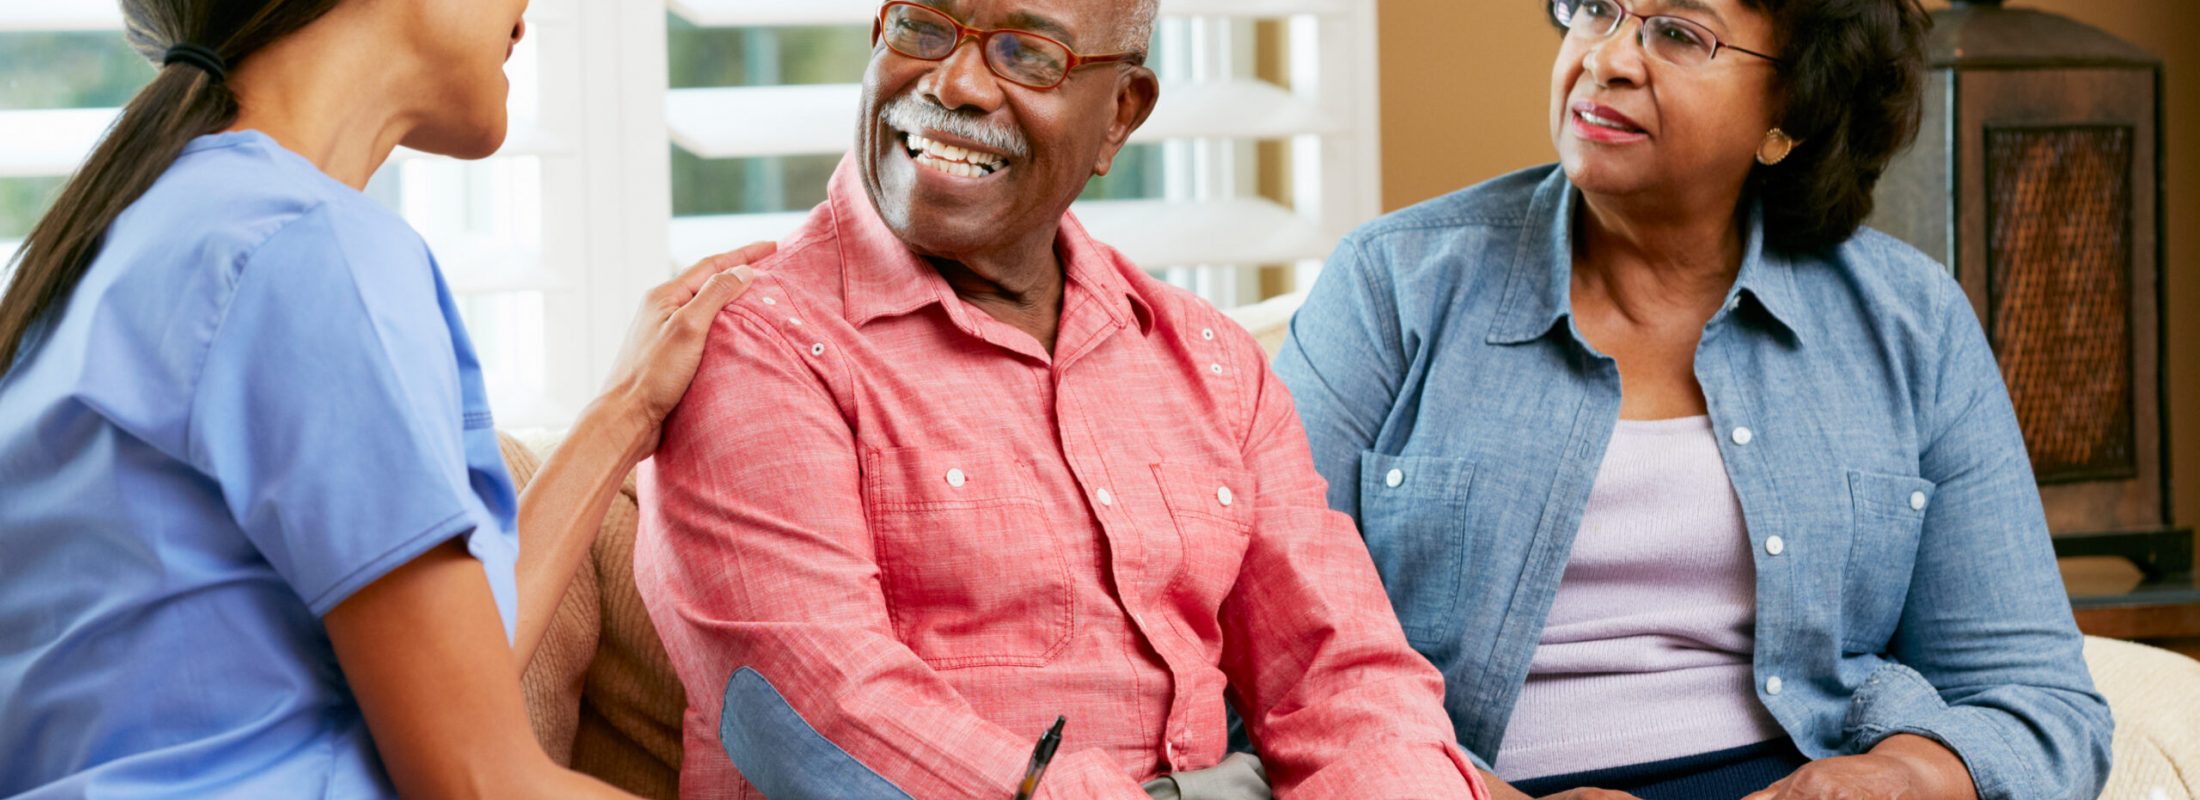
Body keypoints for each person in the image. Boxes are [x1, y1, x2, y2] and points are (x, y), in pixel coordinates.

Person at [632, 1, 1488, 798]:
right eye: (924, 27)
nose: (954, 85)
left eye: (1027, 54)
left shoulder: (1209, 359)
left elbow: (1342, 676)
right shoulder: (755, 341)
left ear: (1120, 114)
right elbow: (817, 715)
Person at [1273, 0, 2114, 798]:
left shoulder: (1909, 322)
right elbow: (1266, 658)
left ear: (1789, 117)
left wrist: (1905, 777)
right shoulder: (1393, 288)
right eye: (1599, 8)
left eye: (1678, 33)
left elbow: (2038, 704)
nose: (1604, 59)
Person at [0, 0, 772, 796]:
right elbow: (478, 780)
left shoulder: (132, 235)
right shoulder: (310, 252)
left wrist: (626, 413)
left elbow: (448, 691)